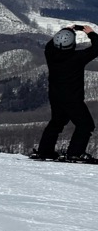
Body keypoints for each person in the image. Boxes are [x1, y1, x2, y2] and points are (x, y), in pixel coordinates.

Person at [32, 24, 98, 162]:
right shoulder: (77, 58)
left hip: (55, 96)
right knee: (85, 125)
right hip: (72, 98)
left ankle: (45, 151)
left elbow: (52, 43)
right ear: (72, 44)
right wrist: (91, 33)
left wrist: (67, 29)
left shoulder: (50, 53)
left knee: (57, 122)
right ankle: (75, 153)